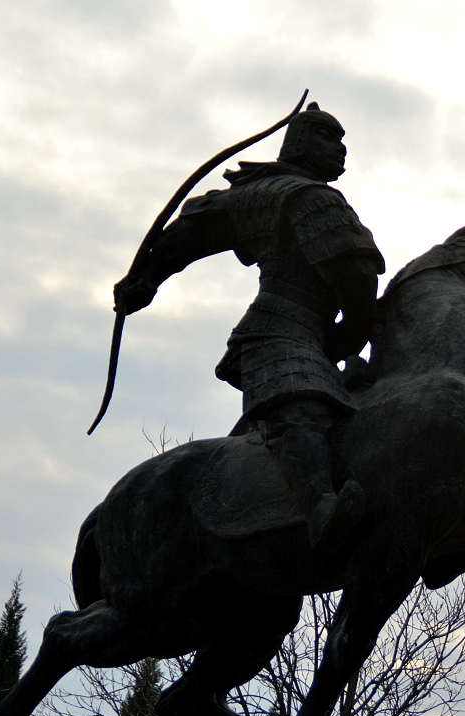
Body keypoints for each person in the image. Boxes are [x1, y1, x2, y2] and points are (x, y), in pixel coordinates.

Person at [113, 102, 384, 545]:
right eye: (328, 138)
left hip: (322, 335)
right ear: (299, 141)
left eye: (342, 141)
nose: (340, 150)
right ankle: (320, 507)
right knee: (302, 403)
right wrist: (143, 280)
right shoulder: (286, 195)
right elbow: (192, 233)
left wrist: (351, 332)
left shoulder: (289, 194)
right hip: (277, 330)